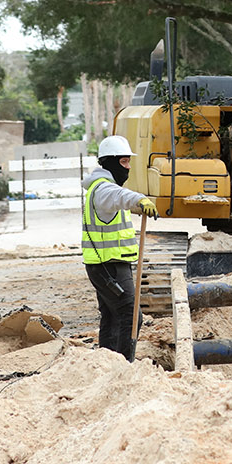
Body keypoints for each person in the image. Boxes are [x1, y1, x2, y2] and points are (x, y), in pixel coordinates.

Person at [83, 135, 157, 359]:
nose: (128, 167)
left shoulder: (101, 187)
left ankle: (106, 361)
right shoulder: (104, 189)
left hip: (105, 264)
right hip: (109, 266)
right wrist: (140, 199)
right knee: (130, 315)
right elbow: (120, 196)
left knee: (112, 316)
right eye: (124, 162)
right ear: (110, 162)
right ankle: (124, 365)